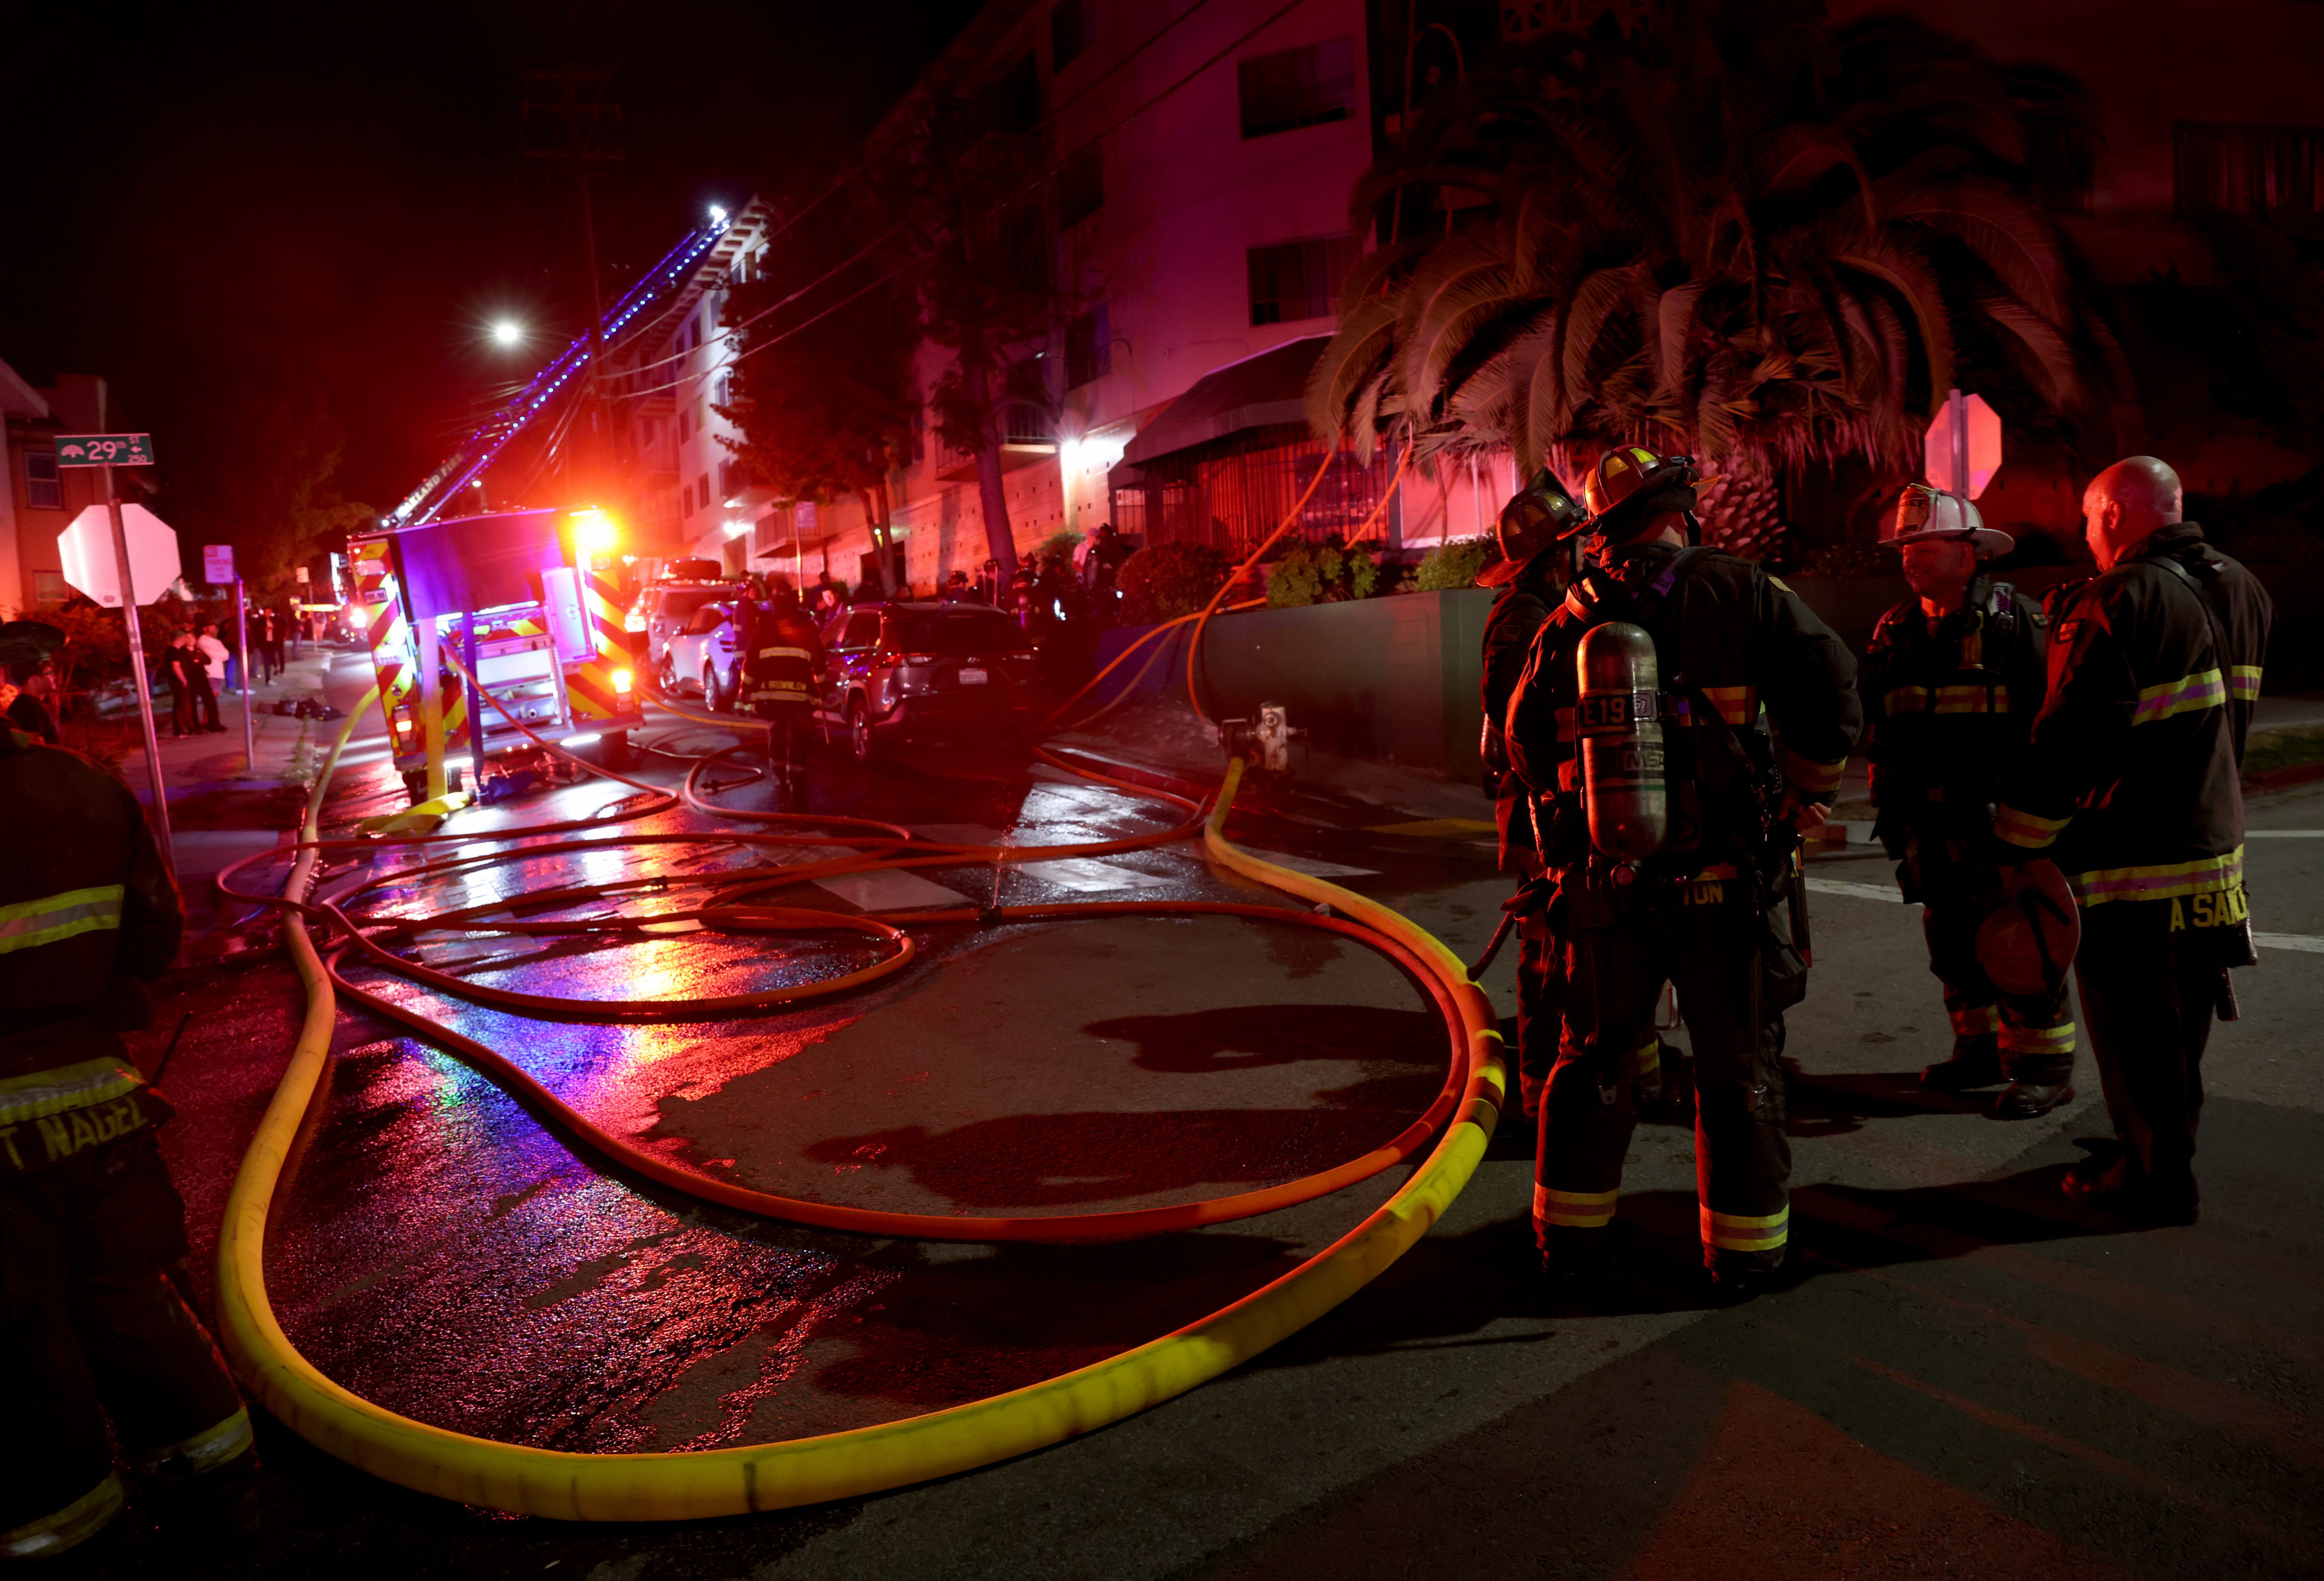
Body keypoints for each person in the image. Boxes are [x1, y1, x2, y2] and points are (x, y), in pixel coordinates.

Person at [1503, 446, 1860, 1298]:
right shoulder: (1739, 590)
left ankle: (1572, 1243)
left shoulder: (1567, 620)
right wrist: (1806, 794)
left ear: (1606, 531)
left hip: (1605, 894)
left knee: (1593, 1061)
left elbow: (1521, 742)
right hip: (1725, 887)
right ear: (1681, 512)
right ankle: (1746, 1254)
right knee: (1737, 1068)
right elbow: (1834, 686)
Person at [0, 621, 257, 1562]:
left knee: (20, 1350)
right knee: (130, 1301)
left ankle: (67, 1536)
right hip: (99, 1106)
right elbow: (152, 939)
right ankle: (219, 1485)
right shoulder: (84, 785)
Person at [1990, 456, 2272, 1223]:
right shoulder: (2244, 586)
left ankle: (2154, 1181)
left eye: (2088, 520)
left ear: (2113, 513)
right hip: (2215, 856)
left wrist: (2020, 842)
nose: (2087, 535)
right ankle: (2165, 1150)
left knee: (2135, 1032)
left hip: (2131, 865)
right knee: (2183, 1029)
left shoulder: (2119, 599)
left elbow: (2072, 740)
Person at [1859, 485, 2067, 1116]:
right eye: (1905, 547)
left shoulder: (2018, 623)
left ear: (1970, 554)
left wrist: (2032, 819)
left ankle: (2043, 1067)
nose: (1911, 557)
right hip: (1927, 821)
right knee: (1951, 940)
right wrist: (1891, 806)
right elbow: (1880, 727)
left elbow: (2052, 725)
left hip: (1998, 820)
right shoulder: (1894, 632)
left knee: (2022, 940)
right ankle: (1976, 1049)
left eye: (1925, 544)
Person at [1476, 469, 1591, 1120]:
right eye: (1574, 544)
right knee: (1545, 954)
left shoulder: (1544, 609)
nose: (1584, 553)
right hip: (1536, 809)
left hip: (1553, 805)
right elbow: (1511, 714)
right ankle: (1537, 1095)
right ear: (1555, 555)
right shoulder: (1522, 618)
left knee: (1572, 946)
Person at [740, 584, 825, 775]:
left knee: (776, 732)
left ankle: (779, 776)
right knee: (800, 734)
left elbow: (751, 661)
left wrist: (745, 689)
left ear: (774, 603)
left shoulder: (764, 628)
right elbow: (819, 661)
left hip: (772, 696)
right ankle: (797, 777)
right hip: (801, 695)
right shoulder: (808, 628)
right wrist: (823, 688)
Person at [6, 656, 62, 746]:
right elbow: (36, 750)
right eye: (50, 674)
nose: (54, 677)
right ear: (35, 680)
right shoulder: (29, 709)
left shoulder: (27, 705)